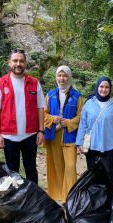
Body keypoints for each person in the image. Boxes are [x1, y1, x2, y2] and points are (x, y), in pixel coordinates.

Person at [0, 49, 45, 184]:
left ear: (25, 63)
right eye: (15, 60)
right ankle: (15, 202)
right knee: (12, 171)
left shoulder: (34, 83)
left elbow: (40, 108)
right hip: (9, 136)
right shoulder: (1, 83)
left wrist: (41, 130)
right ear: (9, 62)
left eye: (21, 61)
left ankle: (33, 200)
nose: (18, 64)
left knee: (31, 169)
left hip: (30, 134)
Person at [43, 66, 83, 205]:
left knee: (71, 166)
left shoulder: (76, 96)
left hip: (69, 135)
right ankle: (60, 197)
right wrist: (52, 119)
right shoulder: (50, 95)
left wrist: (70, 122)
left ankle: (71, 197)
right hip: (54, 134)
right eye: (59, 75)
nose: (62, 78)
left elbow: (81, 116)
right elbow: (43, 113)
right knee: (58, 166)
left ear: (69, 77)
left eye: (64, 76)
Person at [76, 76, 113, 187]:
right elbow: (83, 124)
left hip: (109, 147)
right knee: (93, 175)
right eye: (101, 86)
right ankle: (94, 201)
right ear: (97, 87)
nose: (104, 89)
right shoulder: (89, 104)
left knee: (108, 174)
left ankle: (110, 201)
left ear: (110, 89)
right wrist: (79, 142)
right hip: (92, 147)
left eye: (107, 87)